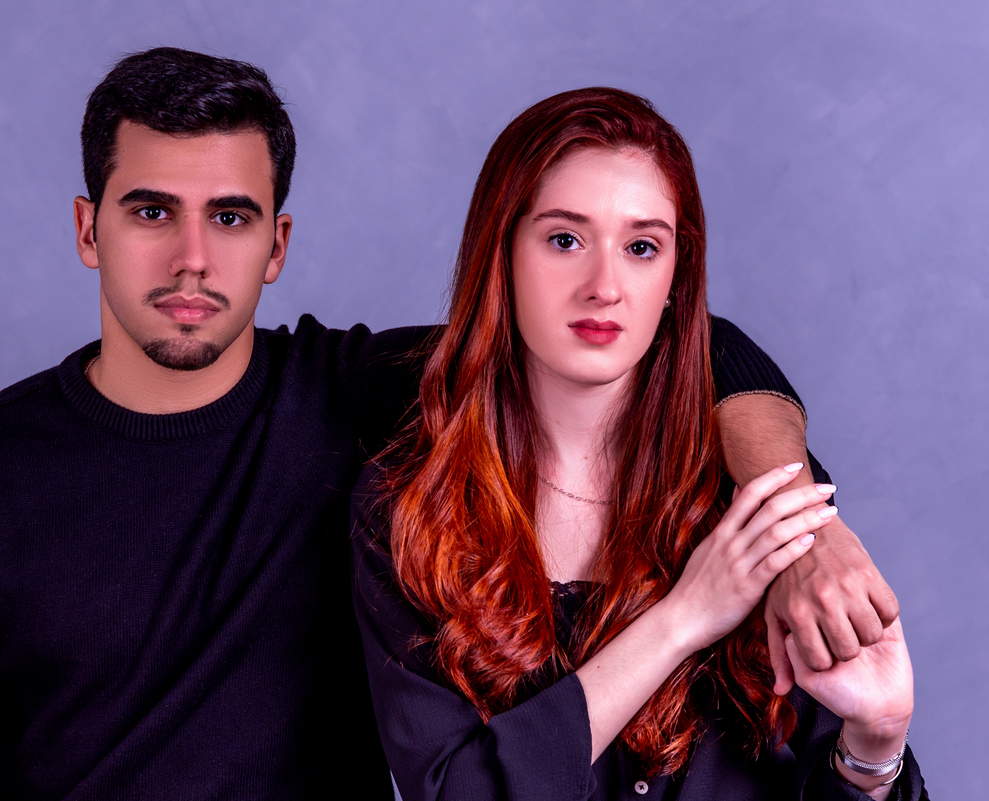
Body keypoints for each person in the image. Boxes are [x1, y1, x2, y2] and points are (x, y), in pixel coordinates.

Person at [0, 49, 890, 800]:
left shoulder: (350, 395)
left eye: (231, 217)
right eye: (152, 210)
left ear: (278, 243)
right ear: (87, 228)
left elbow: (681, 348)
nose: (192, 258)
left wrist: (805, 530)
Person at [351, 88, 924, 800]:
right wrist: (684, 618)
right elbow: (456, 792)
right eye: (565, 240)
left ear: (676, 276)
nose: (605, 286)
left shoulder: (748, 495)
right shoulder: (413, 511)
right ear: (502, 254)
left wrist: (876, 745)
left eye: (642, 247)